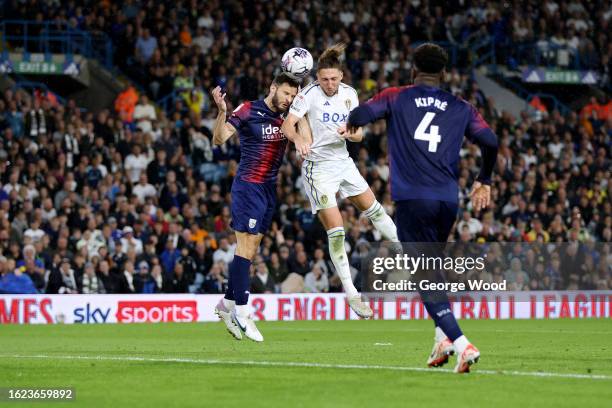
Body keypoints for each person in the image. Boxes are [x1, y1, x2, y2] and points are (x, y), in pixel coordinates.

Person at [346, 43, 498, 373]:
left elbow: (360, 115)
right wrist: (483, 178)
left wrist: (351, 122)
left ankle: (461, 344)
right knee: (433, 268)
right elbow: (491, 142)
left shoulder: (395, 96)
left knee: (423, 273)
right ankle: (440, 341)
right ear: (443, 74)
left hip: (413, 199)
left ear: (413, 70)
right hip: (447, 200)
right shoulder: (461, 106)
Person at [281, 43, 399, 319]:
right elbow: (288, 124)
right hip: (318, 168)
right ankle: (352, 295)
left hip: (343, 162)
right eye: (325, 79)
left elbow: (359, 135)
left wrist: (350, 133)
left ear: (341, 76)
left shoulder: (349, 95)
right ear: (317, 78)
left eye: (334, 79)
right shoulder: (307, 94)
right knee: (337, 231)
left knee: (376, 210)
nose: (330, 84)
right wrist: (298, 139)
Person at [211, 73, 306, 342]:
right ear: (273, 88)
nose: (289, 100)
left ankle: (226, 305)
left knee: (251, 251)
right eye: (286, 94)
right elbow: (219, 138)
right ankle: (242, 311)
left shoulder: (288, 119)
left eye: (293, 96)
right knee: (244, 246)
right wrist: (222, 112)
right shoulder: (248, 109)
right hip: (248, 186)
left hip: (268, 190)